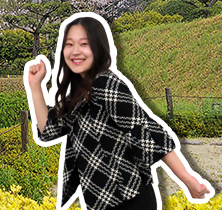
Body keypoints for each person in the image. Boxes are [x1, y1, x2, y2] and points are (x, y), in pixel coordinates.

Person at [24, 12, 212, 210]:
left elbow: (145, 129)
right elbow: (48, 130)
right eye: (69, 44)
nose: (75, 51)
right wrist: (35, 85)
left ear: (99, 48)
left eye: (84, 44)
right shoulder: (80, 94)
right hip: (103, 201)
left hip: (128, 199)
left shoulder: (105, 84)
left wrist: (187, 179)